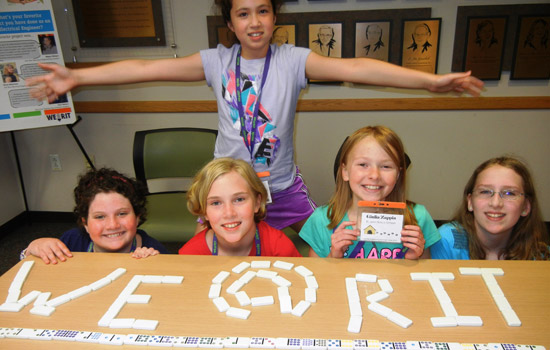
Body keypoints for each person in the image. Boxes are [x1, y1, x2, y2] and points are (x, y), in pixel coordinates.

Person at [26, 0, 484, 234]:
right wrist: (79, 78)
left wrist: (428, 81)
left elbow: (355, 67)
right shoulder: (215, 62)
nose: (255, 21)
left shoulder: (292, 60)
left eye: (263, 10)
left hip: (282, 188)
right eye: (243, 13)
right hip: (226, 189)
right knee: (222, 256)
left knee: (310, 251)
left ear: (274, 16)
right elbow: (146, 68)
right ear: (231, 22)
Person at [299, 126, 440, 259]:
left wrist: (414, 259)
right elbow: (316, 278)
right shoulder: (322, 220)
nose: (374, 175)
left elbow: (426, 277)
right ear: (345, 171)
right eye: (363, 165)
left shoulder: (418, 218)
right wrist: (333, 258)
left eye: (386, 166)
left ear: (398, 175)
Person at [21, 168, 168, 264]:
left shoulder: (155, 250)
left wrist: (153, 266)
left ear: (137, 218)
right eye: (99, 217)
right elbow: (34, 269)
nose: (113, 225)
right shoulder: (71, 242)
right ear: (85, 223)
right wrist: (33, 247)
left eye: (122, 214)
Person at [431, 157, 549, 260]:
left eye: (509, 193)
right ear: (470, 202)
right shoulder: (446, 241)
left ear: (525, 206)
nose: (496, 203)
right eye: (485, 191)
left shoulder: (540, 254)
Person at [179, 157, 302, 257]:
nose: (229, 213)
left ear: (257, 203)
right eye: (216, 203)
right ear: (204, 211)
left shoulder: (279, 248)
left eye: (239, 199)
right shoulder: (191, 255)